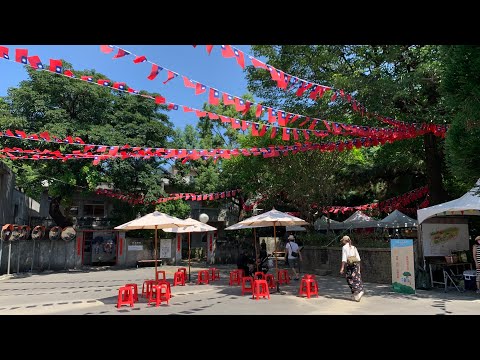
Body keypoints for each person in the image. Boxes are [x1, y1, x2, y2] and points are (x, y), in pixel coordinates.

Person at [339, 235, 365, 302]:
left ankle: (357, 292)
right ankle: (356, 293)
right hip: (356, 265)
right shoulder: (354, 247)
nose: (342, 242)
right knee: (357, 278)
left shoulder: (344, 247)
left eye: (343, 241)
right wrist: (359, 268)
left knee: (349, 279)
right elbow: (358, 258)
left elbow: (344, 259)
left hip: (350, 265)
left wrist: (342, 268)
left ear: (345, 241)